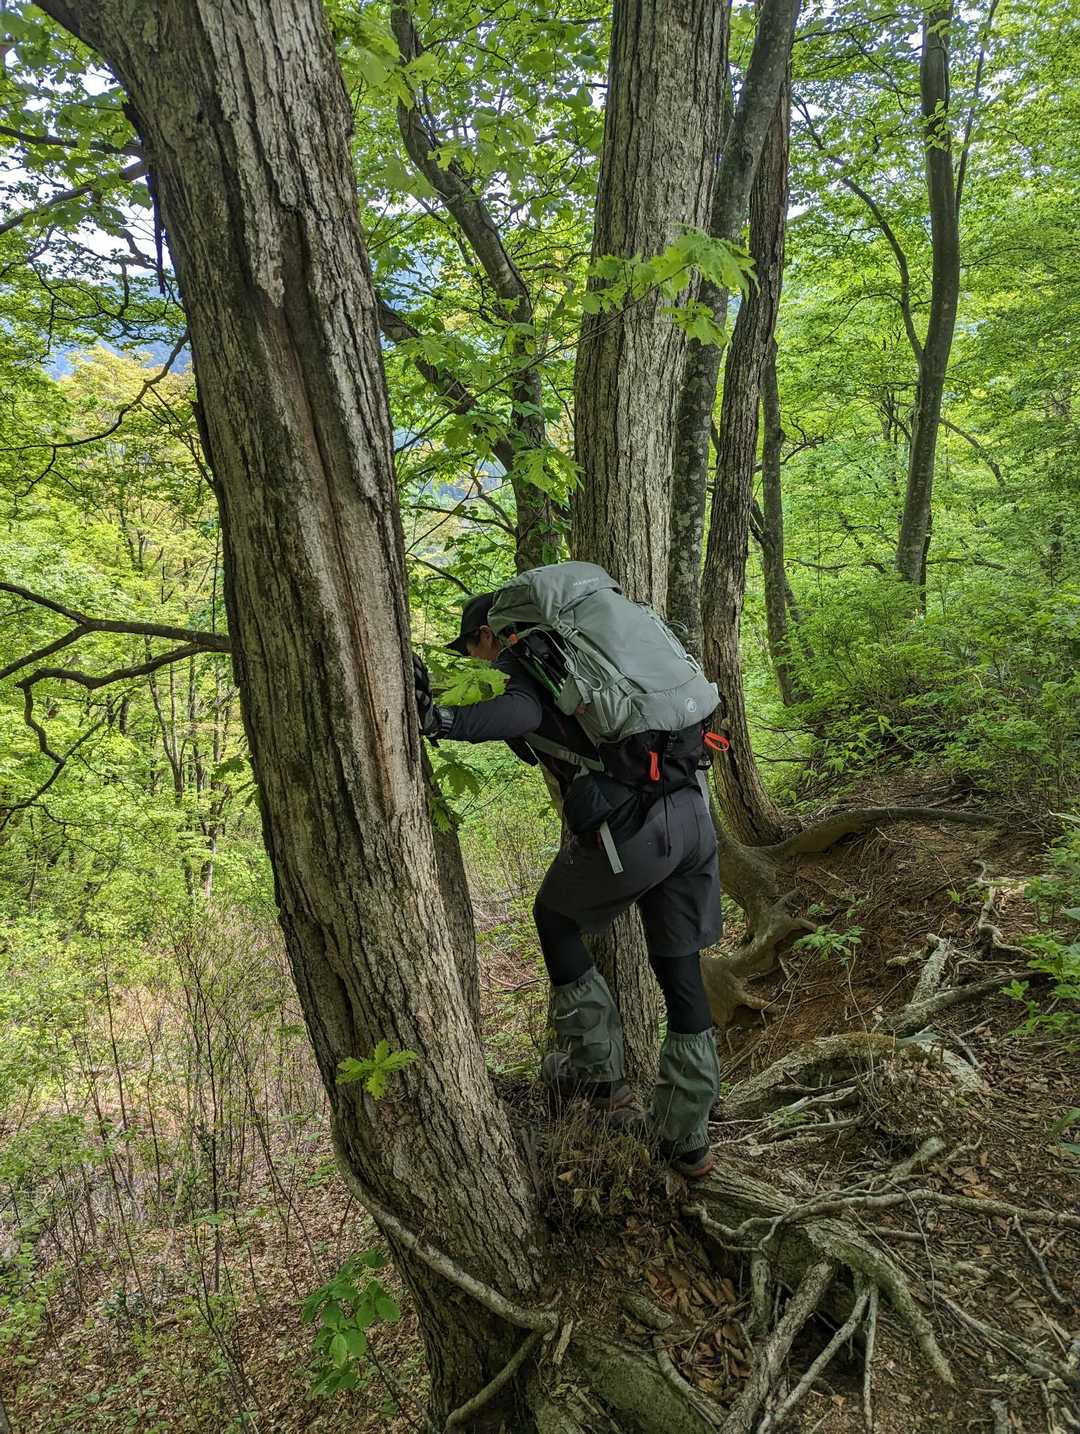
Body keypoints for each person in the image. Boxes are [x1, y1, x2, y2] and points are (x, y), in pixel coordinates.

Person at [414, 589, 722, 1179]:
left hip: (636, 828)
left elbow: (520, 715)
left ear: (488, 635)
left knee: (555, 920)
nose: (476, 660)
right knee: (679, 967)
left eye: (472, 647)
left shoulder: (528, 659)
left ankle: (601, 1081)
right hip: (692, 812)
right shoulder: (598, 657)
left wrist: (440, 721)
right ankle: (687, 1138)